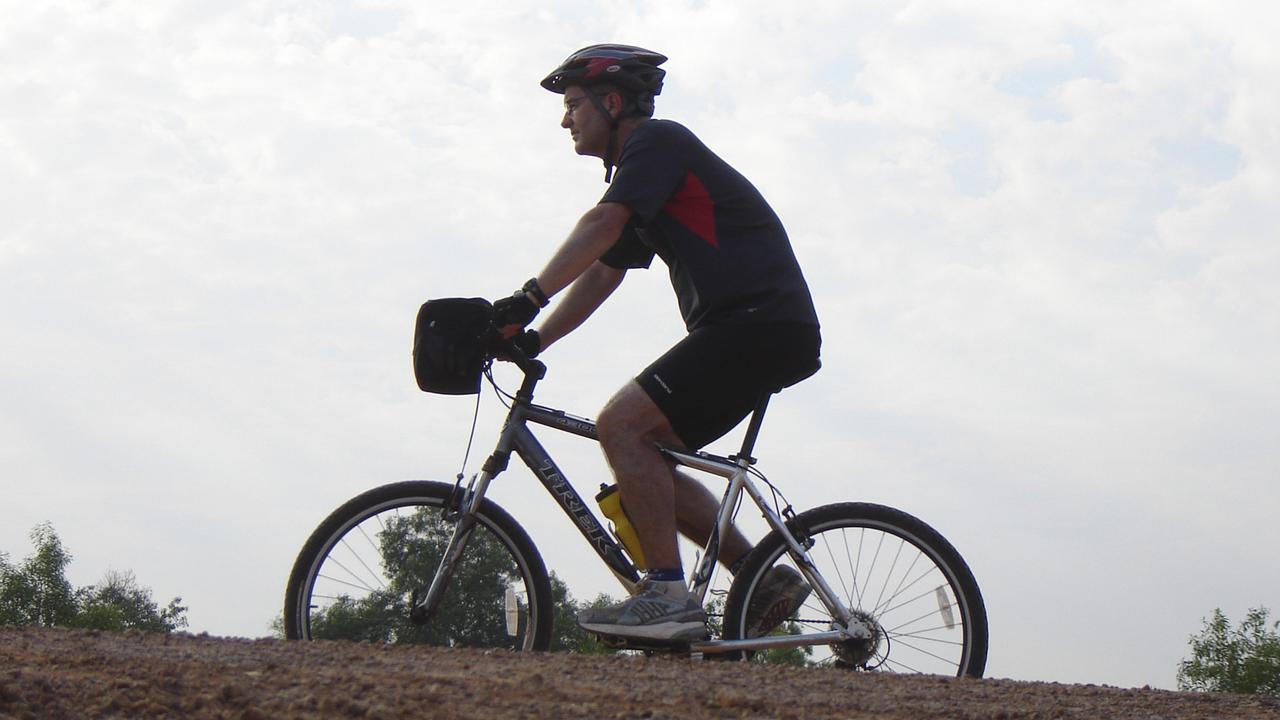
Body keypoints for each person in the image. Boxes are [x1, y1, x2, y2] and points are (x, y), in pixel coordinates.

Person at [492, 44, 821, 643]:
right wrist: (536, 337)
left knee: (621, 426)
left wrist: (527, 297)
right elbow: (605, 270)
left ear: (612, 103)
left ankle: (667, 598)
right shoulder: (646, 174)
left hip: (755, 323)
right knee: (646, 456)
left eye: (573, 105)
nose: (565, 120)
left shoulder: (657, 143)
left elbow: (602, 225)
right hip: (761, 326)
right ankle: (759, 577)